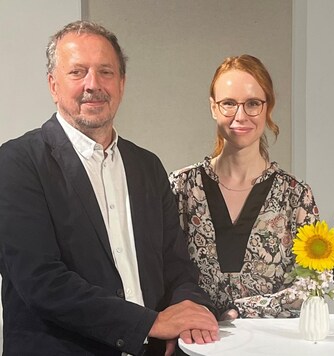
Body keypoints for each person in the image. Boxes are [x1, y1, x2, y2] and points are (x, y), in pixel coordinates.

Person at [0, 21, 221, 356]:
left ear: (122, 83)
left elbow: (177, 266)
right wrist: (148, 324)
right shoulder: (17, 162)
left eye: (105, 72)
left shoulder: (147, 166)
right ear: (53, 85)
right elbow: (41, 280)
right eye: (78, 72)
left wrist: (190, 310)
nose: (93, 84)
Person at [169, 55, 319, 318]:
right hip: (198, 343)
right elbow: (163, 270)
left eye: (252, 104)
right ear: (213, 108)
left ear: (267, 107)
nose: (241, 116)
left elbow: (312, 284)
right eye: (228, 103)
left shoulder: (295, 195)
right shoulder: (182, 188)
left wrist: (239, 312)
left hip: (270, 345)